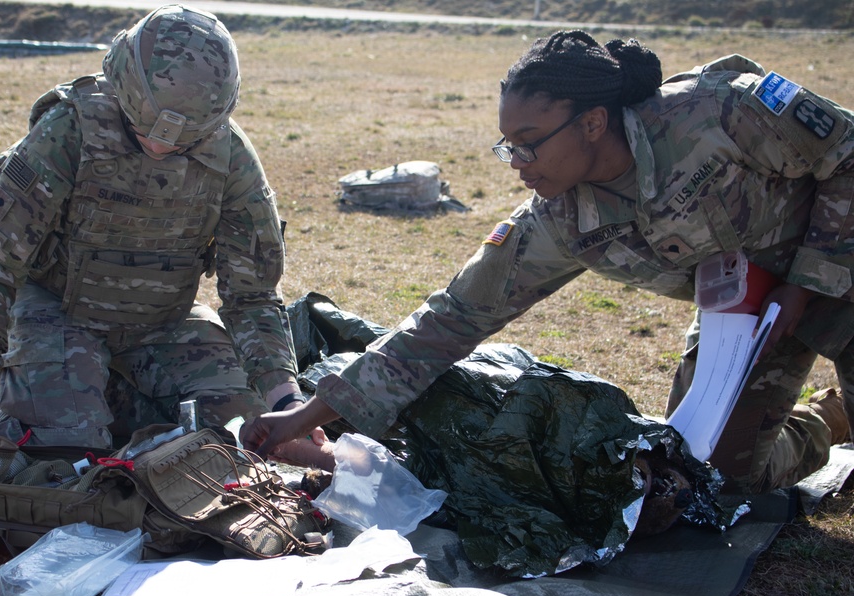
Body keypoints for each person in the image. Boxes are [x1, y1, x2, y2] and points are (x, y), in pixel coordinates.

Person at [242, 30, 854, 495]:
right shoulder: (559, 219)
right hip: (743, 320)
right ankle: (828, 420)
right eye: (508, 144)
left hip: (841, 263)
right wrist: (305, 414)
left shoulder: (714, 113)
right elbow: (448, 322)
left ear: (591, 123)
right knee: (703, 484)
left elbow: (847, 154)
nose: (516, 161)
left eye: (529, 142)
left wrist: (806, 280)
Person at [0, 5, 317, 460]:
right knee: (64, 455)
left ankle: (73, 395)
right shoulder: (67, 133)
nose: (161, 145)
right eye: (146, 127)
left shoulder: (230, 157)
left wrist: (290, 407)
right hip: (59, 311)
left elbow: (252, 297)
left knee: (242, 436)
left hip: (164, 323)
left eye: (181, 139)